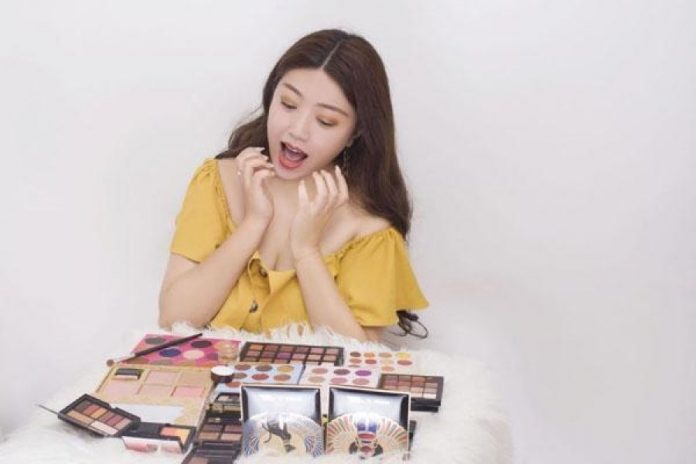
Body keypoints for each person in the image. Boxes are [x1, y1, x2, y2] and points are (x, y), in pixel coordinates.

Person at [158, 29, 428, 342]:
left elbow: (360, 356)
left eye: (325, 121)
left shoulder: (368, 231)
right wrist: (253, 224)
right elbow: (173, 318)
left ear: (355, 133)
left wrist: (306, 252)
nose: (298, 130)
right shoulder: (217, 181)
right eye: (288, 104)